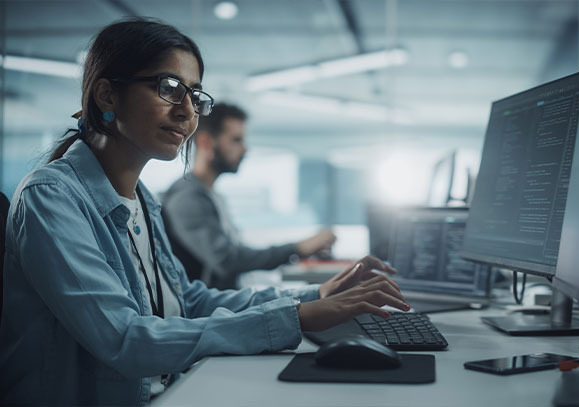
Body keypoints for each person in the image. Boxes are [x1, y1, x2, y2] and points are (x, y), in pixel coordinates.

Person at [0, 18, 409, 406]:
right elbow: (125, 339)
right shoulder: (51, 198)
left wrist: (312, 295)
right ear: (107, 94)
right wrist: (295, 318)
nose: (188, 111)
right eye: (169, 87)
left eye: (194, 96)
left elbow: (187, 301)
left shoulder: (142, 198)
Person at [162, 103, 336, 289]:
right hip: (205, 312)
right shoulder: (187, 198)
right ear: (206, 142)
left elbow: (235, 253)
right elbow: (227, 259)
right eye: (236, 140)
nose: (245, 149)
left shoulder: (212, 195)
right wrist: (298, 248)